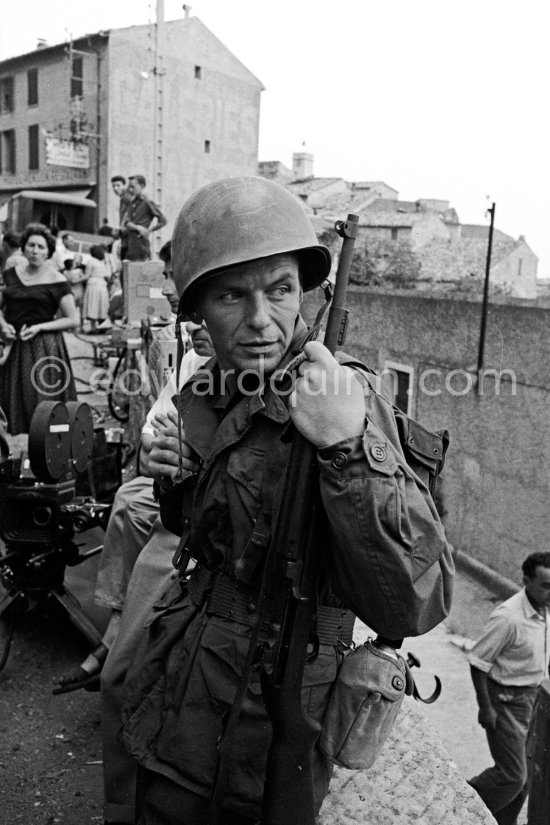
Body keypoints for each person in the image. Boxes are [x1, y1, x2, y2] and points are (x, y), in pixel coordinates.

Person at [119, 176, 453, 825]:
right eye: (231, 294)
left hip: (263, 725)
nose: (261, 320)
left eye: (278, 289)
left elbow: (416, 596)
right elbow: (208, 537)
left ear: (304, 288)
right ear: (196, 309)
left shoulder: (343, 397)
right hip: (181, 693)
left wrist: (346, 444)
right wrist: (178, 479)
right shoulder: (218, 385)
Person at [468, 552, 550, 825]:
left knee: (523, 780)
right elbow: (478, 662)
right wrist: (486, 708)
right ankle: (463, 802)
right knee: (512, 776)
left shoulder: (544, 608)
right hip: (505, 702)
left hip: (532, 698)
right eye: (546, 585)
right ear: (526, 581)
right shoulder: (508, 617)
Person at [0, 222, 78, 434]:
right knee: (12, 401)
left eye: (41, 247)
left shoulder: (57, 279)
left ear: (49, 252)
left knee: (43, 401)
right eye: (31, 245)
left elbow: (72, 319)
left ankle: (46, 453)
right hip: (13, 344)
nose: (35, 251)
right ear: (23, 247)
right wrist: (3, 324)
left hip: (44, 346)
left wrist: (40, 327)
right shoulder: (11, 274)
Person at [122, 174, 167, 262]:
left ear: (142, 186)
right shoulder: (132, 202)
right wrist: (138, 228)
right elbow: (126, 223)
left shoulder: (147, 202)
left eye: (133, 187)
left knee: (139, 270)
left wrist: (149, 230)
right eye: (129, 187)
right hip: (130, 242)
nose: (130, 190)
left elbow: (163, 221)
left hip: (140, 243)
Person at [82, 245, 110, 332]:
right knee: (100, 305)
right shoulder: (103, 263)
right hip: (102, 284)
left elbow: (87, 275)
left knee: (93, 304)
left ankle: (93, 327)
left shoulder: (91, 261)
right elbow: (107, 275)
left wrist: (77, 279)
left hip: (93, 284)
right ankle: (100, 326)